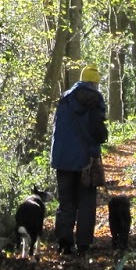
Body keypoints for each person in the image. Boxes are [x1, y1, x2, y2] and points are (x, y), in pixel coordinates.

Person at [50, 64, 109, 254]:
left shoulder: (65, 99)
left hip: (62, 159)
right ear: (95, 83)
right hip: (85, 159)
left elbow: (57, 130)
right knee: (86, 202)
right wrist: (95, 151)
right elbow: (97, 132)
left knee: (66, 202)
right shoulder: (95, 100)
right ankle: (84, 244)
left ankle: (64, 243)